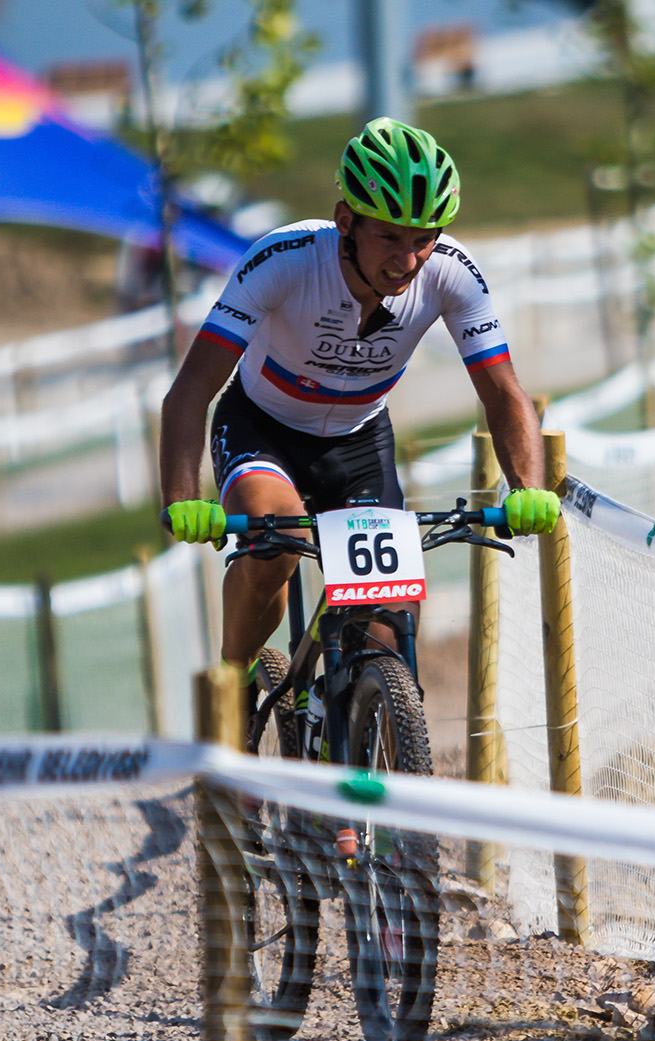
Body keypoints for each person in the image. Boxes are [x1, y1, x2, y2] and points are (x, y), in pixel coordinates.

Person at [157, 117, 560, 702]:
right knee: (274, 542)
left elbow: (503, 391)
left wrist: (528, 486)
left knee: (386, 627)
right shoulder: (284, 260)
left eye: (424, 237)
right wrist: (180, 499)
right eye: (389, 238)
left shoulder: (451, 272)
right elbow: (190, 388)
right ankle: (233, 685)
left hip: (359, 440)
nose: (409, 258)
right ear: (346, 221)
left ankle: (372, 727)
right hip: (262, 429)